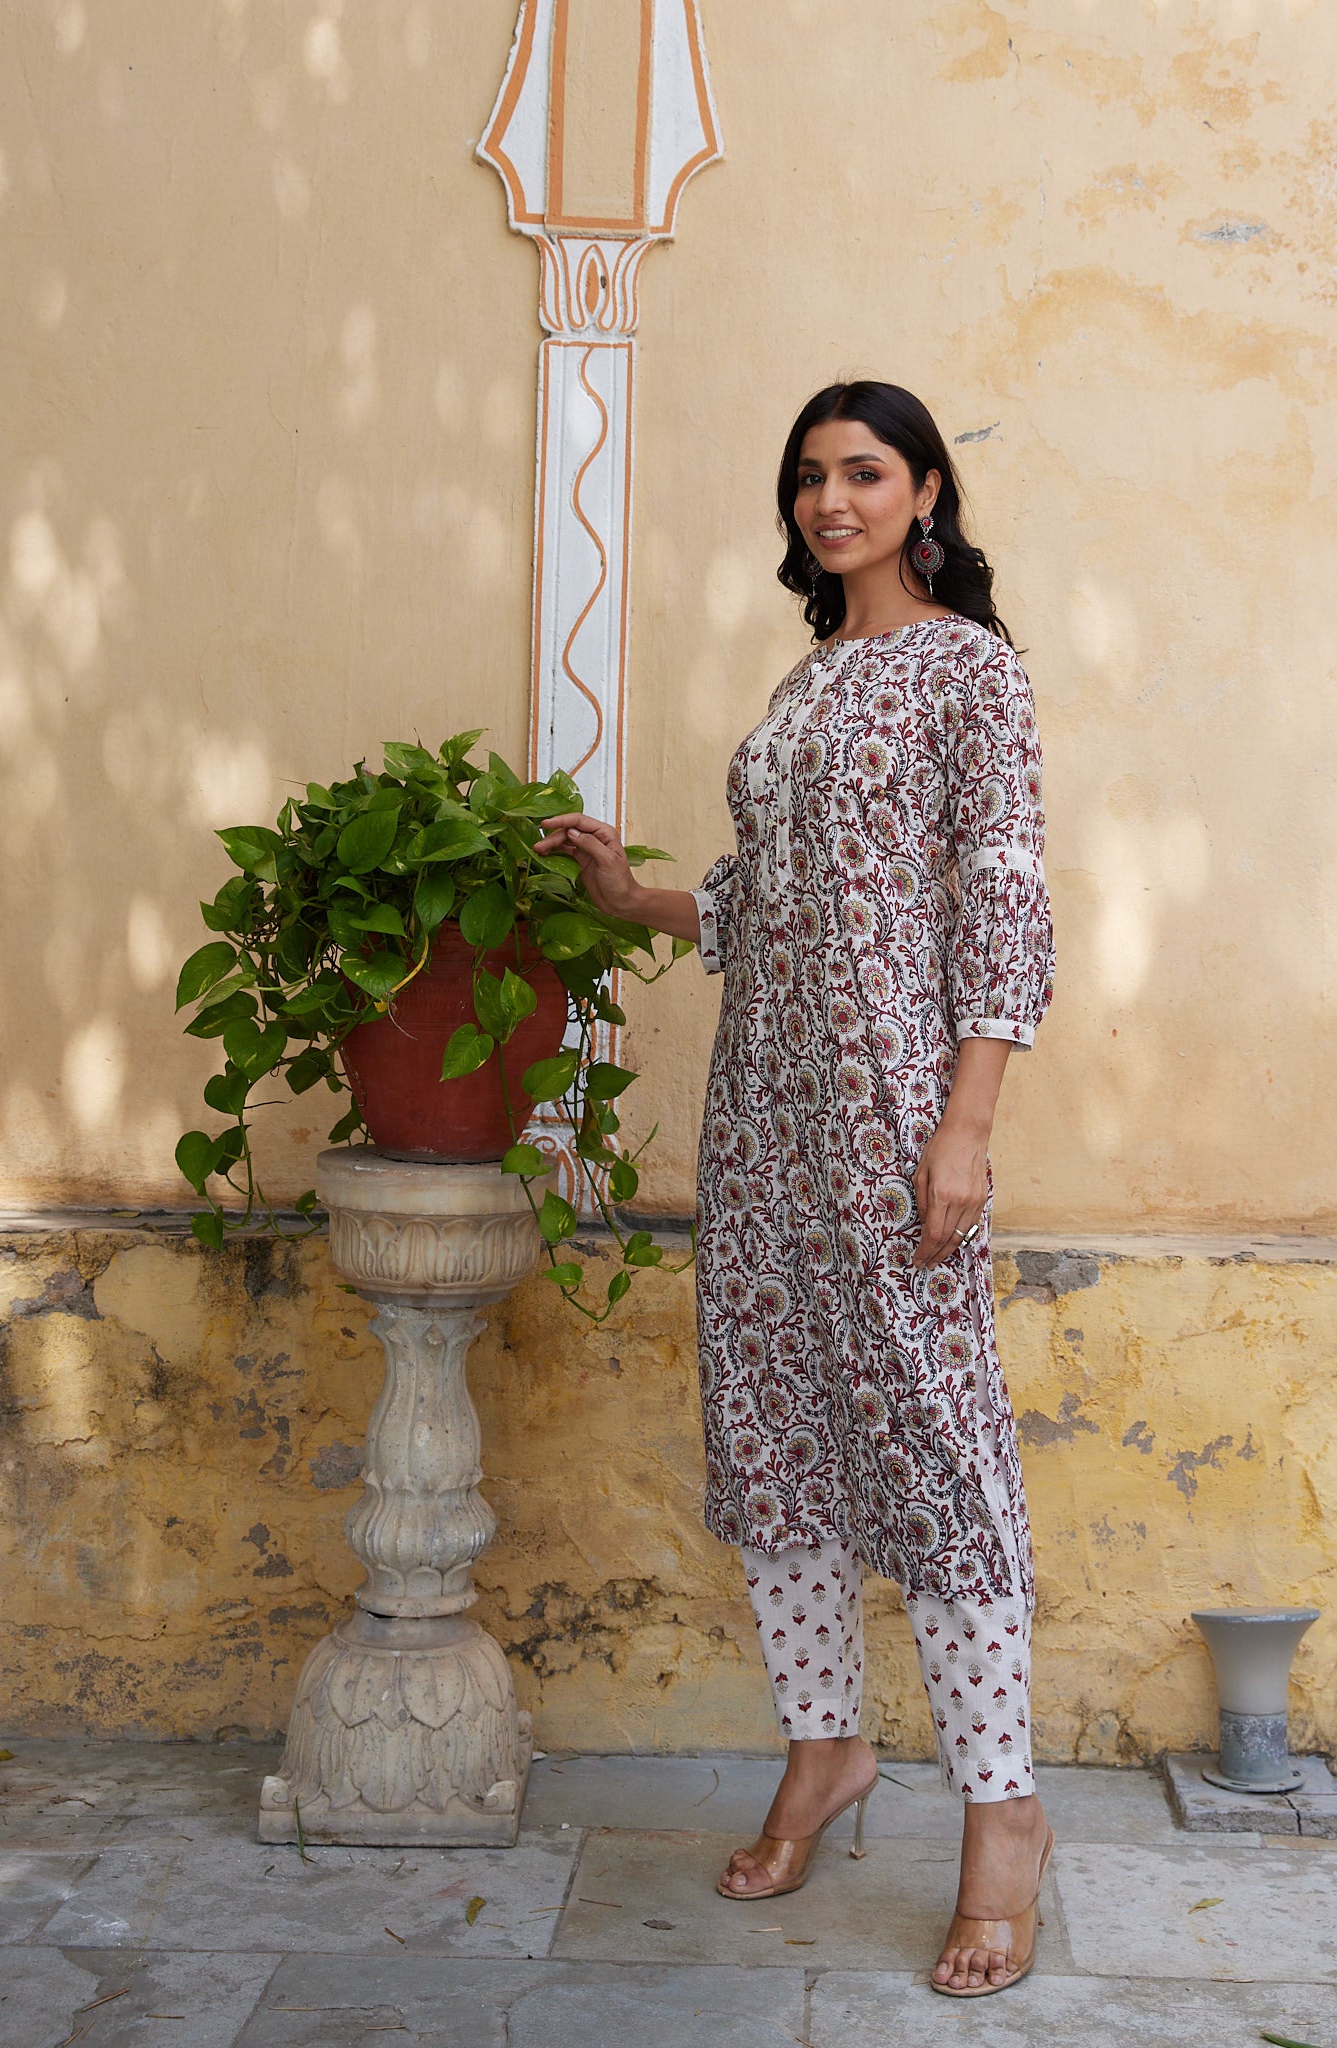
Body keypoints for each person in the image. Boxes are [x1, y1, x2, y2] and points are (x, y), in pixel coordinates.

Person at [537, 379, 1057, 1997]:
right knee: (771, 1429)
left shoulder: (971, 671)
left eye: (863, 474)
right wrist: (636, 900)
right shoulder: (810, 674)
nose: (831, 501)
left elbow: (1004, 899)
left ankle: (1003, 1818)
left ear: (922, 494)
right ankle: (823, 1751)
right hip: (760, 1118)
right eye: (810, 479)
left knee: (937, 1443)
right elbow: (766, 910)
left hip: (893, 1111)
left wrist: (962, 1126)